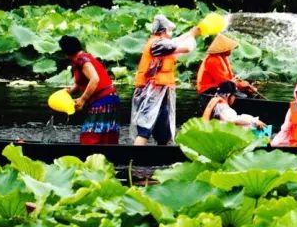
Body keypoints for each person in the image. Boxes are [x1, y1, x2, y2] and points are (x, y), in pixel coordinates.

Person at [132, 15, 198, 146]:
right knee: (144, 129)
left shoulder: (161, 43)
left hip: (160, 92)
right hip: (150, 93)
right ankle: (135, 160)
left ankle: (161, 158)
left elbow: (177, 41)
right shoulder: (158, 44)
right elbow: (187, 48)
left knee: (164, 130)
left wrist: (191, 33)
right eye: (170, 30)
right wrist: (192, 36)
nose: (171, 33)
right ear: (163, 31)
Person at [59, 35, 121, 144]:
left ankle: (88, 158)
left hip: (103, 101)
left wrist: (82, 99)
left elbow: (94, 79)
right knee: (107, 138)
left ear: (65, 53)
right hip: (111, 99)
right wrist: (68, 92)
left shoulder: (82, 60)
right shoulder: (84, 58)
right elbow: (80, 84)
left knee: (90, 138)